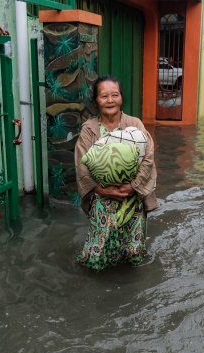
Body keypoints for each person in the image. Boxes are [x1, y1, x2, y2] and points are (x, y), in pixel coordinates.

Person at [75, 75, 160, 270]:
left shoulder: (135, 124)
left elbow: (148, 156)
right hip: (102, 201)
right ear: (96, 100)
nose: (110, 100)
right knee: (98, 252)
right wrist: (101, 190)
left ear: (121, 98)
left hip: (133, 199)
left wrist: (133, 186)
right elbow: (81, 164)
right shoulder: (89, 129)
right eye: (104, 96)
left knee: (133, 252)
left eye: (115, 95)